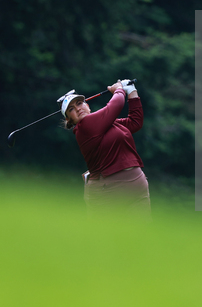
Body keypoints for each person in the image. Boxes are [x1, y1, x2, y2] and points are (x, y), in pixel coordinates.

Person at [58, 79, 151, 220]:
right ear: (70, 120)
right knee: (108, 239)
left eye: (79, 103)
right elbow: (117, 103)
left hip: (136, 187)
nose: (77, 108)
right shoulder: (83, 128)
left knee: (141, 238)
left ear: (87, 105)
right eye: (71, 109)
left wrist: (132, 91)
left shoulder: (109, 124)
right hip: (108, 193)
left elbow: (135, 123)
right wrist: (119, 89)